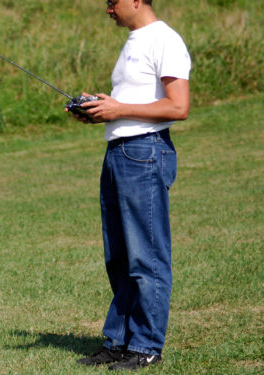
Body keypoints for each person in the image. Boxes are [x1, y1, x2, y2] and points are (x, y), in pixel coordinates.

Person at [70, 0, 191, 371]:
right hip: (118, 152)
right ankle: (119, 341)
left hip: (145, 152)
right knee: (119, 257)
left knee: (146, 256)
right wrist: (101, 109)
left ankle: (146, 346)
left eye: (112, 2)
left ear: (136, 0)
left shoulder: (164, 40)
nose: (108, 9)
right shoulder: (133, 40)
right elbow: (131, 102)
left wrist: (119, 110)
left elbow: (177, 107)